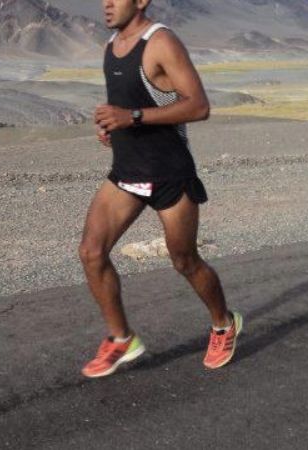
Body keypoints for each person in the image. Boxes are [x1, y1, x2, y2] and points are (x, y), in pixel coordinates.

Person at [79, 0, 242, 378]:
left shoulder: (161, 42)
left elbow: (199, 106)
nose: (106, 3)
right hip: (127, 173)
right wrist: (112, 126)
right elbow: (129, 105)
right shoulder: (111, 46)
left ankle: (223, 323)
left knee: (184, 261)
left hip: (170, 175)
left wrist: (132, 117)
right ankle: (122, 338)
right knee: (91, 252)